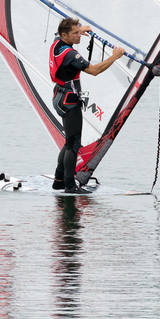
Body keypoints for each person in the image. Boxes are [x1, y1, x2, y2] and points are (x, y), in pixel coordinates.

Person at [49, 17, 125, 193]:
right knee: (73, 144)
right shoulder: (69, 54)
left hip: (59, 96)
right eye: (75, 33)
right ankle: (69, 186)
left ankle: (59, 180)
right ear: (64, 35)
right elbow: (94, 70)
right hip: (69, 101)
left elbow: (59, 32)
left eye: (79, 32)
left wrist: (80, 28)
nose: (79, 36)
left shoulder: (56, 43)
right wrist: (114, 57)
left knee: (70, 142)